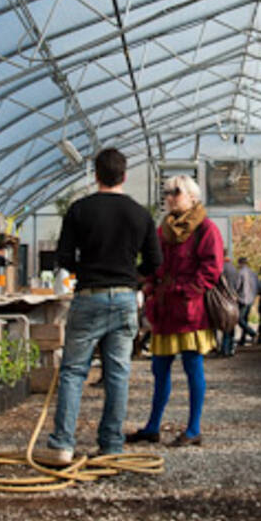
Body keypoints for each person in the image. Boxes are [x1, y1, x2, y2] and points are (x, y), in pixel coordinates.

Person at [34, 148, 161, 466]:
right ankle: (111, 445)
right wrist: (133, 275)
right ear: (125, 175)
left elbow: (62, 258)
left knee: (74, 371)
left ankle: (63, 444)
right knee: (117, 372)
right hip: (123, 298)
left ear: (95, 174)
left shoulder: (79, 210)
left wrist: (86, 269)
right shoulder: (139, 214)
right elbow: (156, 262)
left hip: (88, 296)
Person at [128, 174, 223, 447]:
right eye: (167, 192)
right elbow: (154, 264)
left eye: (175, 192)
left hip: (189, 311)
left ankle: (193, 429)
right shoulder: (163, 230)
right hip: (164, 310)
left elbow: (211, 270)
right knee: (159, 369)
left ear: (193, 197)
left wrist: (184, 291)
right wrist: (148, 286)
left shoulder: (206, 229)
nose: (169, 197)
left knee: (193, 368)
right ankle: (152, 426)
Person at [217, 256, 241, 357]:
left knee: (225, 324)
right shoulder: (234, 269)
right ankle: (230, 348)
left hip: (224, 299)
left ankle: (224, 349)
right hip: (234, 299)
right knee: (231, 324)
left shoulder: (221, 268)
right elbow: (239, 284)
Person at [235, 256, 259, 347]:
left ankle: (252, 333)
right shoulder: (253, 273)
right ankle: (243, 339)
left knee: (239, 319)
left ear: (240, 263)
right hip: (251, 300)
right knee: (245, 319)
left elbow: (237, 286)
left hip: (242, 299)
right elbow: (260, 287)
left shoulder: (240, 273)